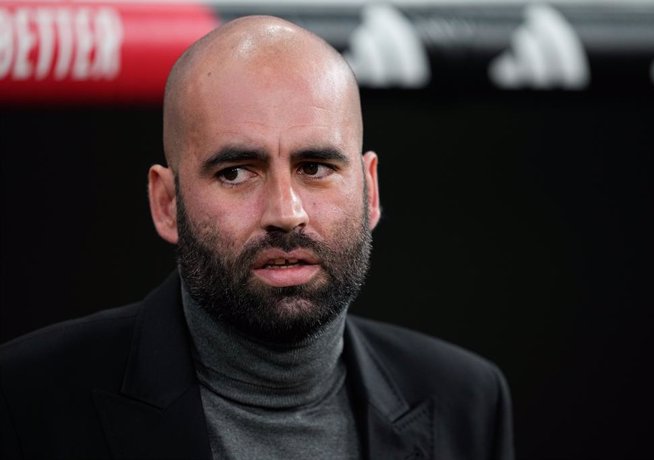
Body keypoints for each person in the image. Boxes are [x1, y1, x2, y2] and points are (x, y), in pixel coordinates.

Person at [0, 15, 514, 460]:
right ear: (165, 204)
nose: (286, 214)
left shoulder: (467, 400)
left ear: (370, 189)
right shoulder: (29, 398)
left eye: (315, 167)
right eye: (236, 172)